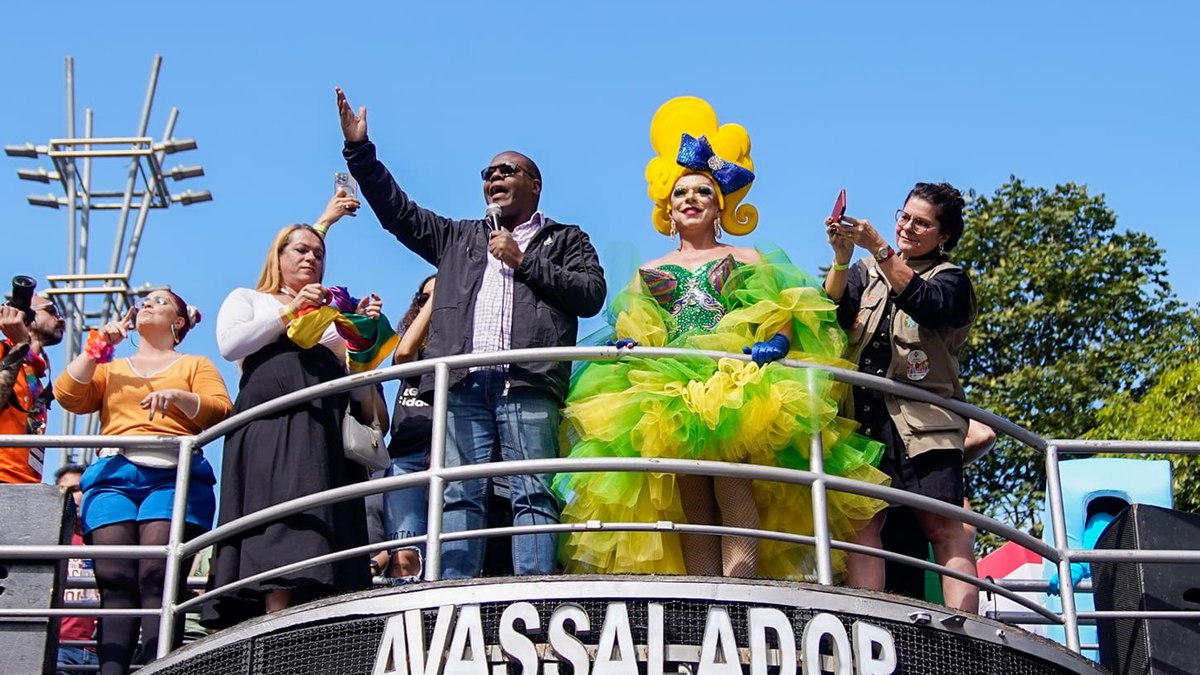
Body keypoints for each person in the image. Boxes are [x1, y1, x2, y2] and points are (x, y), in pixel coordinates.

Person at [555, 97, 889, 579]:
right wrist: (629, 346)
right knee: (691, 499)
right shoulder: (649, 269)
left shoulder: (749, 257)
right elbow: (633, 321)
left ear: (720, 207)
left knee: (734, 488)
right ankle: (702, 597)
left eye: (703, 192)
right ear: (667, 209)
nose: (690, 199)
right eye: (681, 193)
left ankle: (740, 591)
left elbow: (785, 306)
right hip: (667, 389)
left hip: (732, 382)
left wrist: (776, 339)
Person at [337, 88, 606, 579]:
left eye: (507, 170)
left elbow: (591, 294)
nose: (495, 178)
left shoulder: (566, 238)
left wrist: (524, 262)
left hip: (526, 383)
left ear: (535, 186)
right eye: (489, 173)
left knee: (531, 491)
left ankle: (534, 596)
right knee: (459, 494)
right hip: (461, 386)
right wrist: (360, 151)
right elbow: (397, 212)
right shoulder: (458, 237)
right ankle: (455, 596)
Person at [204, 193, 389, 628]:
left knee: (323, 524)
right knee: (280, 520)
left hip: (323, 433)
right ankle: (274, 620)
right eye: (301, 250)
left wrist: (360, 335)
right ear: (278, 256)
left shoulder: (328, 318)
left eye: (319, 254)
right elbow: (231, 344)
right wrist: (291, 309)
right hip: (273, 430)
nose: (311, 258)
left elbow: (361, 393)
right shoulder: (251, 299)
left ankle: (319, 625)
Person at [54, 289, 230, 674]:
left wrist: (179, 398)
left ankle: (160, 668)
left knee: (157, 575)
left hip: (172, 476)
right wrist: (100, 346)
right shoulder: (111, 369)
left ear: (179, 321)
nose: (148, 304)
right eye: (145, 300)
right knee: (113, 579)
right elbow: (68, 394)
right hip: (114, 475)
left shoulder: (194, 365)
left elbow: (220, 410)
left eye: (160, 301)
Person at [824, 181, 980, 612]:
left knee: (945, 528)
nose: (907, 227)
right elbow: (830, 317)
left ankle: (963, 634)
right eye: (904, 216)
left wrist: (880, 250)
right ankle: (869, 622)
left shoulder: (952, 280)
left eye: (921, 223)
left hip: (926, 428)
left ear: (943, 236)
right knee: (863, 527)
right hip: (864, 425)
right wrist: (842, 258)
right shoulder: (864, 273)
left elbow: (927, 305)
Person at [381, 274, 435, 581]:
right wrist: (436, 300)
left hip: (453, 452)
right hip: (406, 454)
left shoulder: (461, 342)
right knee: (404, 553)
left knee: (448, 547)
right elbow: (402, 355)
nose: (430, 303)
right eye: (422, 298)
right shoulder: (415, 345)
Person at [0, 291, 64, 484]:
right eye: (51, 310)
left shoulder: (37, 371)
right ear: (26, 315)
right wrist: (19, 345)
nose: (60, 319)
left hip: (25, 484)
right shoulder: (3, 351)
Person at [55, 463, 100, 675]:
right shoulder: (51, 540)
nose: (72, 496)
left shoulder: (107, 539)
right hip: (58, 645)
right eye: (65, 490)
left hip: (99, 649)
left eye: (77, 489)